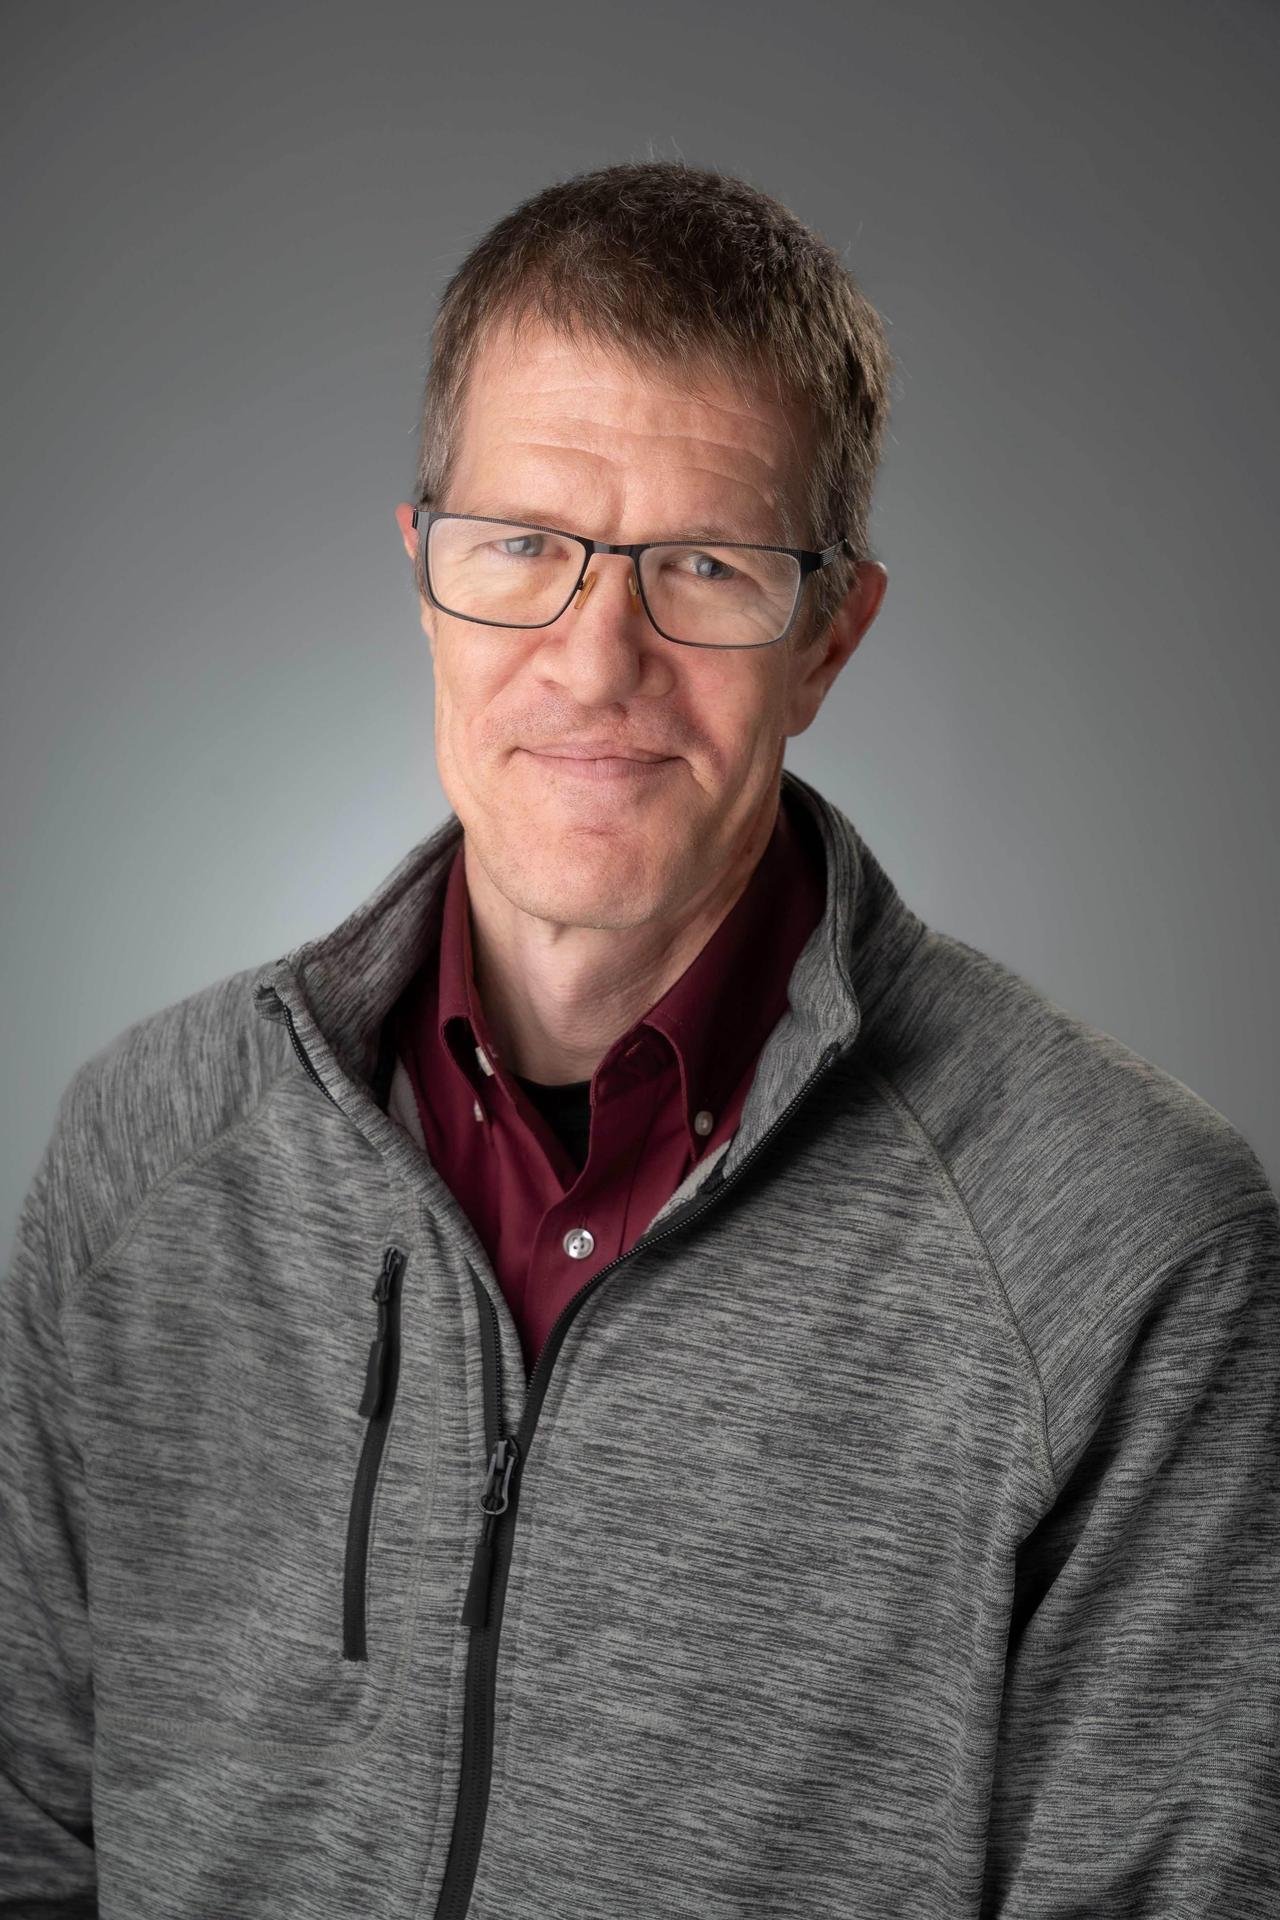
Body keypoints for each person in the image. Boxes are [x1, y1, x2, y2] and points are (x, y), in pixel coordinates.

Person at [2, 159, 1276, 1920]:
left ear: (831, 634)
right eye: (523, 545)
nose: (596, 660)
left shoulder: (1129, 1255)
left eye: (704, 564)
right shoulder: (144, 1155)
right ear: (424, 577)